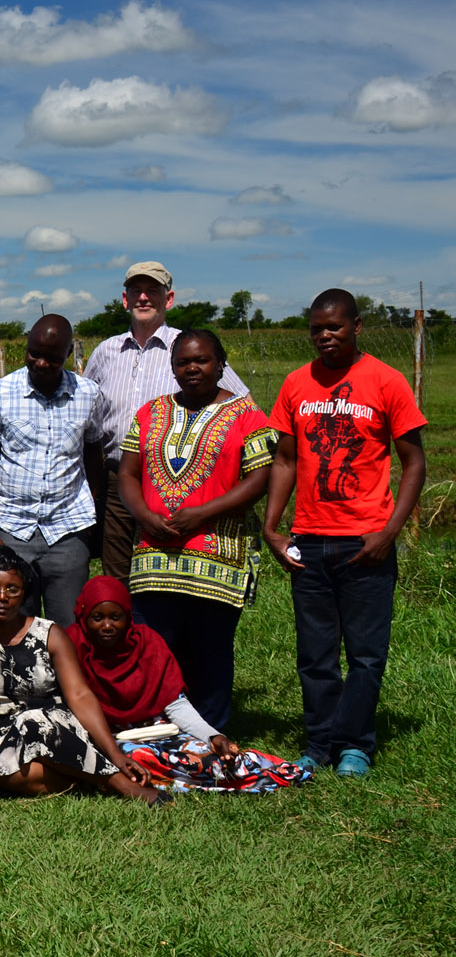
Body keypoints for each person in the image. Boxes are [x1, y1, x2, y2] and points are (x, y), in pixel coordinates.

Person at [264, 289, 426, 779]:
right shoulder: (296, 383)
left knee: (365, 655)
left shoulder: (387, 381)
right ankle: (319, 743)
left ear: (357, 326)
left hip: (366, 543)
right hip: (309, 540)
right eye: (316, 328)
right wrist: (272, 528)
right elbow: (286, 460)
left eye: (334, 327)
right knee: (314, 655)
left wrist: (389, 532)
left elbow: (414, 461)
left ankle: (354, 743)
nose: (325, 336)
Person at [117, 329, 274, 731]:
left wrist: (201, 513)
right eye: (182, 362)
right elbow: (128, 474)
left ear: (220, 364)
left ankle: (211, 734)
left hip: (217, 556)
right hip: (154, 555)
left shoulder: (247, 416)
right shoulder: (150, 412)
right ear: (172, 368)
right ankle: (157, 731)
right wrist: (144, 516)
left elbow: (259, 480)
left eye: (201, 360)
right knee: (154, 650)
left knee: (210, 652)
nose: (191, 369)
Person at [67, 575, 311, 793]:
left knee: (215, 759)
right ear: (84, 618)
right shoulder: (73, 645)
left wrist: (213, 736)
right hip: (107, 738)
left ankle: (266, 771)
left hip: (159, 730)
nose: (107, 626)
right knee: (137, 759)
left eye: (115, 617)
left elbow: (175, 705)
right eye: (97, 618)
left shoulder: (147, 643)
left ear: (127, 617)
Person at [84, 262, 247, 580]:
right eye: (136, 291)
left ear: (168, 298)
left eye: (153, 291)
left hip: (172, 482)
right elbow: (83, 406)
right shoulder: (106, 352)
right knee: (117, 576)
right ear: (125, 299)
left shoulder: (188, 349)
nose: (144, 298)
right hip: (117, 481)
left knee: (167, 574)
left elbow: (241, 404)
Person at [0, 546, 166, 806]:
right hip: (5, 734)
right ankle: (87, 776)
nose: (2, 596)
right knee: (6, 776)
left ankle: (118, 782)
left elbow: (80, 695)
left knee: (31, 720)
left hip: (57, 727)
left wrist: (115, 753)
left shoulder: (48, 633)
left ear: (24, 594)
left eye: (13, 589)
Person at [0, 314, 105, 625]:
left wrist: (88, 517)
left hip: (67, 531)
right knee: (14, 628)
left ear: (68, 355)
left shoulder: (88, 394)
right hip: (12, 530)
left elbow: (93, 458)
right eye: (35, 353)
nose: (42, 363)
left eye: (53, 358)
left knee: (69, 629)